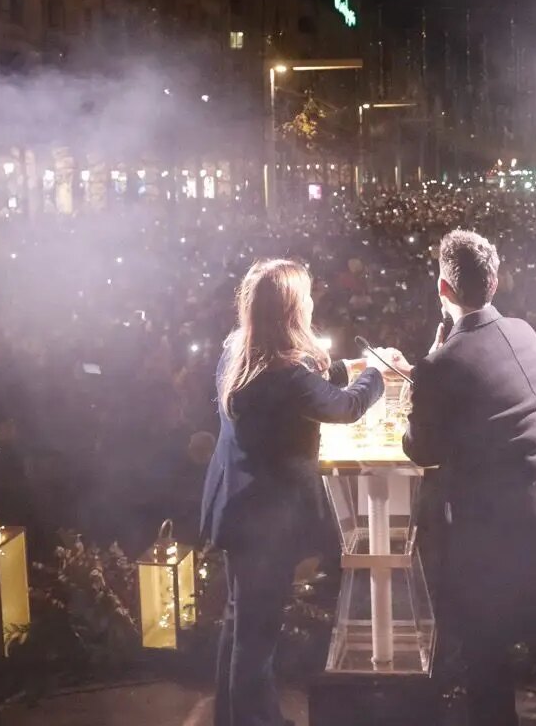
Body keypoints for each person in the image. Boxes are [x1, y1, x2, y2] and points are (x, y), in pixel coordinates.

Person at [386, 230, 536, 726]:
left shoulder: (441, 364)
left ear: (443, 291)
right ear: (493, 282)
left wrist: (423, 378)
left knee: (485, 660)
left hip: (502, 539)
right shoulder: (523, 331)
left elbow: (420, 448)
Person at [199, 258, 388, 726]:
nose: (310, 302)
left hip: (235, 507)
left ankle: (231, 716)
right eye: (304, 297)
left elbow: (312, 389)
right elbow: (344, 407)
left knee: (239, 621)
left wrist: (348, 367)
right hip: (264, 524)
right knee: (256, 638)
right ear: (289, 310)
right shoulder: (286, 376)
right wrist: (378, 372)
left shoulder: (239, 351)